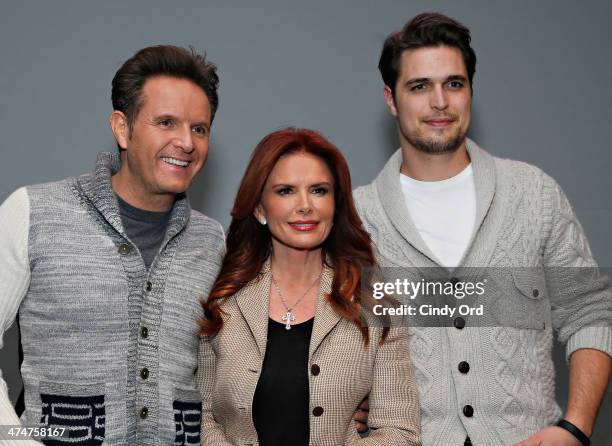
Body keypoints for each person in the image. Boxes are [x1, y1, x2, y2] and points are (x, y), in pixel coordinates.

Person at [353, 12, 612, 446]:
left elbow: (590, 311)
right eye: (419, 86)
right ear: (391, 99)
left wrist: (576, 427)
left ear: (471, 90)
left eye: (454, 83)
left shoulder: (535, 195)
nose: (440, 102)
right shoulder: (356, 220)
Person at [0, 45, 225, 445]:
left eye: (199, 128)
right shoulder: (33, 211)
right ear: (122, 128)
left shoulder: (212, 241)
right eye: (166, 122)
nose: (186, 142)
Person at [197, 128, 421, 445]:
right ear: (260, 208)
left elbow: (399, 431)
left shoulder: (374, 302)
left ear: (336, 204)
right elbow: (204, 417)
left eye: (318, 190)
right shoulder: (222, 301)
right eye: (286, 191)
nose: (305, 205)